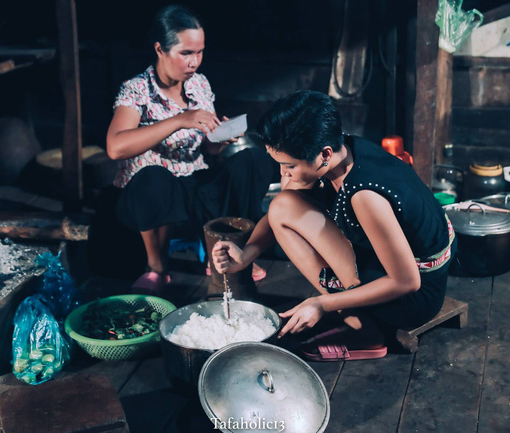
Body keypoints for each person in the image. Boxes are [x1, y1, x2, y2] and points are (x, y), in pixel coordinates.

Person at [212, 90, 456, 361]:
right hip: (395, 261)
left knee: (287, 199)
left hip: (416, 295)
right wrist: (246, 255)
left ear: (324, 154)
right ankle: (354, 310)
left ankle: (365, 333)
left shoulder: (365, 196)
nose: (283, 173)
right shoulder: (345, 148)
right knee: (283, 203)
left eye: (289, 165)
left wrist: (321, 303)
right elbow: (283, 205)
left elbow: (406, 281)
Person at [107, 5, 275, 292]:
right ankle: (157, 268)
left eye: (199, 52)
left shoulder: (199, 85)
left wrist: (220, 139)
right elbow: (115, 147)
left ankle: (229, 251)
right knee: (154, 178)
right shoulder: (137, 90)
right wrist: (180, 120)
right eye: (186, 53)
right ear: (160, 49)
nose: (194, 61)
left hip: (194, 185)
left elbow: (209, 152)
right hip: (150, 197)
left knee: (252, 160)